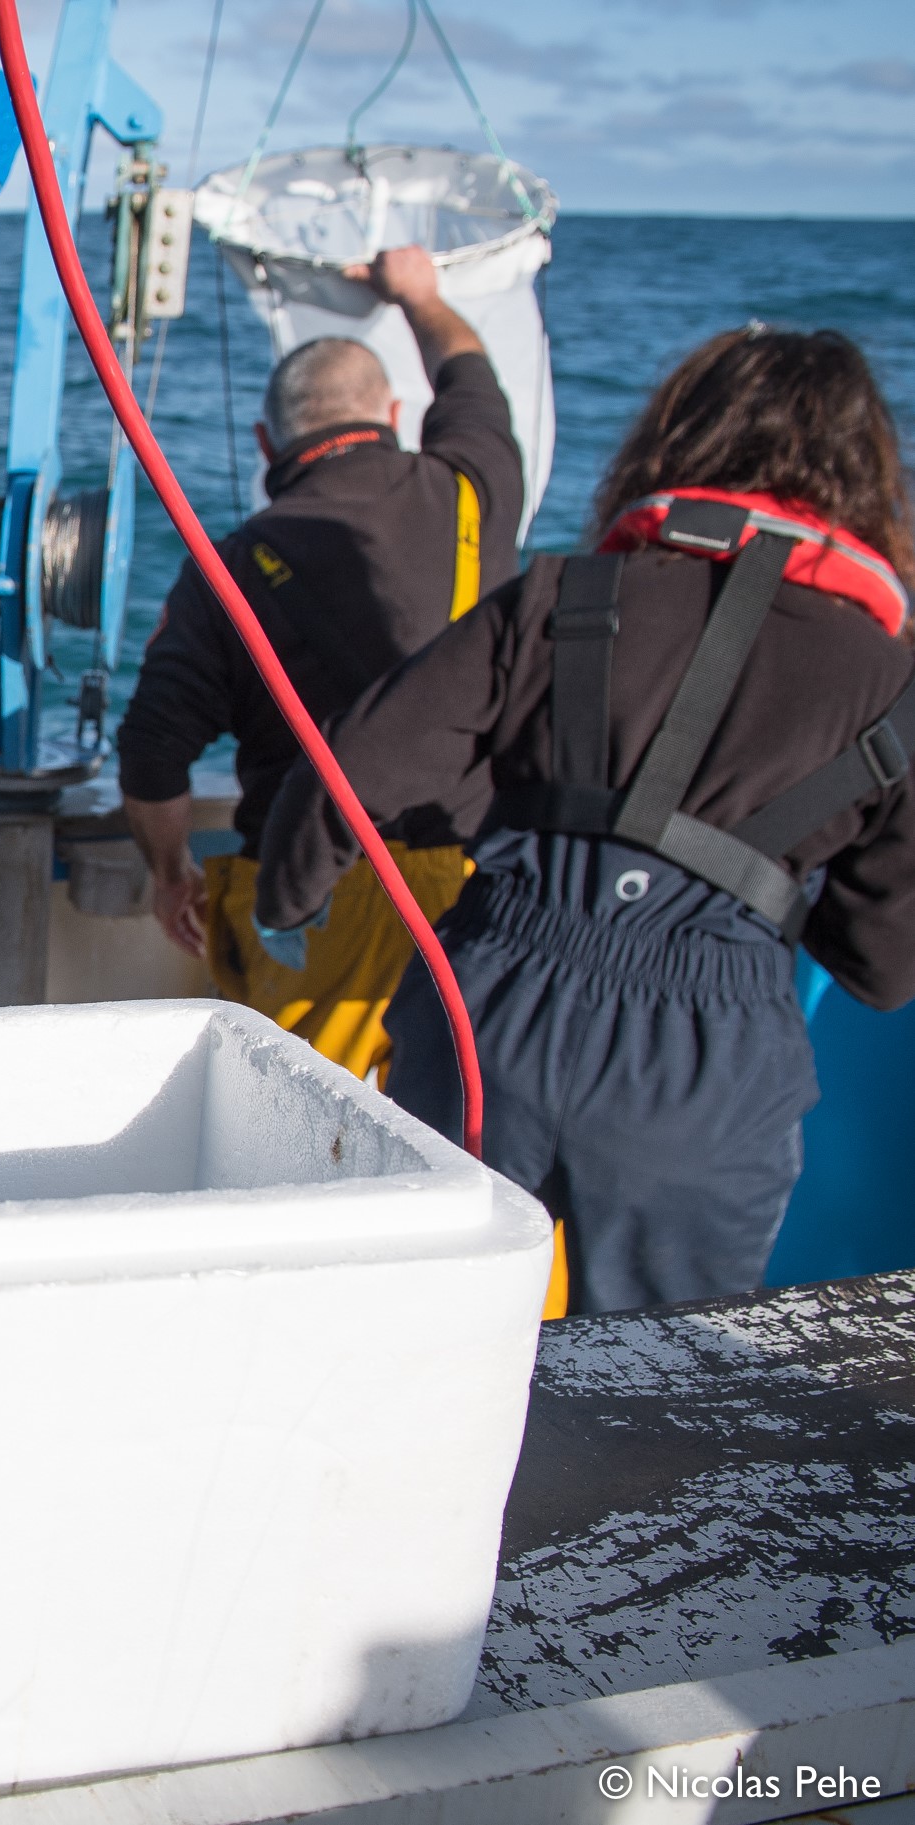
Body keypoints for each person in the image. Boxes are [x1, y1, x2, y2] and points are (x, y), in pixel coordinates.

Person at [255, 326, 915, 1317]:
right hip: (705, 1056)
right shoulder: (889, 680)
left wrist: (284, 904)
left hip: (487, 1006)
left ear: (672, 440)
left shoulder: (558, 597)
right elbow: (879, 961)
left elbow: (356, 767)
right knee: (668, 1379)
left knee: (427, 1327)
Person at [115, 245, 522, 1077]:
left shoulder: (225, 567)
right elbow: (472, 381)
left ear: (269, 441)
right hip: (479, 896)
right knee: (472, 1149)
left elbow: (153, 748)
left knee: (321, 1168)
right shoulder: (473, 486)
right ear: (397, 416)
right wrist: (418, 294)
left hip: (311, 899)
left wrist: (170, 871)